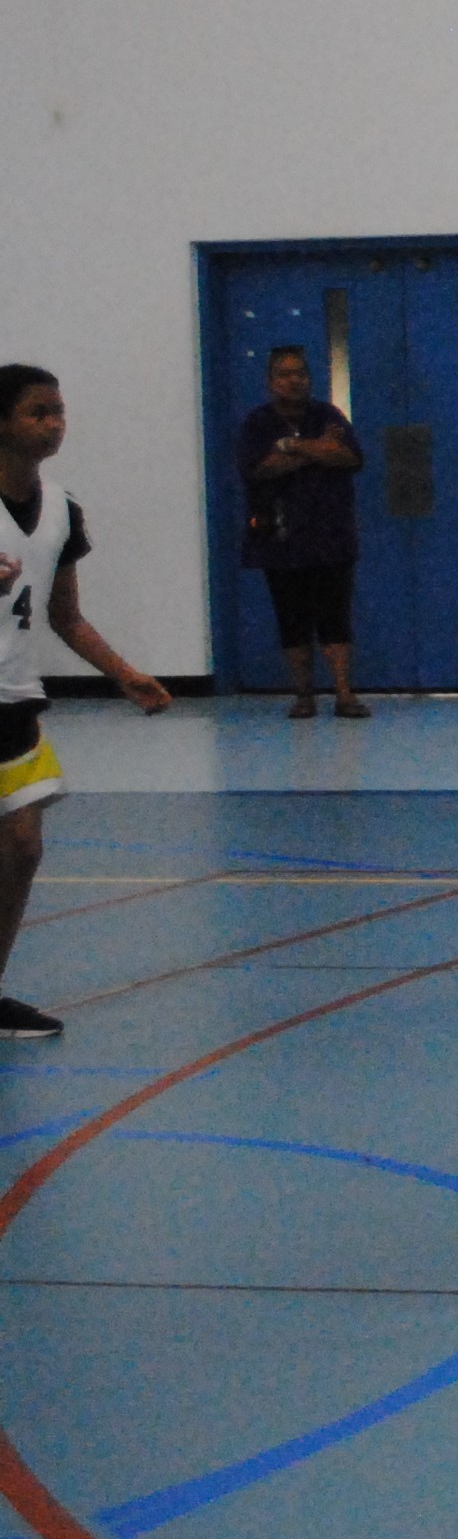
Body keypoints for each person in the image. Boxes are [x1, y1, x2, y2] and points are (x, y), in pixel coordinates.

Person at [0, 364, 174, 1039]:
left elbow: (65, 615)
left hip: (14, 700)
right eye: (38, 412)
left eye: (59, 412)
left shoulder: (62, 509)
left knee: (22, 848)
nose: (54, 424)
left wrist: (123, 672)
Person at [237, 345, 369, 719]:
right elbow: (260, 469)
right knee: (291, 617)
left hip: (331, 534)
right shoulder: (257, 423)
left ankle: (344, 695)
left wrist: (293, 447)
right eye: (284, 374)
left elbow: (349, 457)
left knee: (335, 616)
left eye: (300, 374)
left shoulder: (329, 414)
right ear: (270, 381)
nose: (293, 381)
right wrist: (315, 450)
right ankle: (303, 696)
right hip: (279, 536)